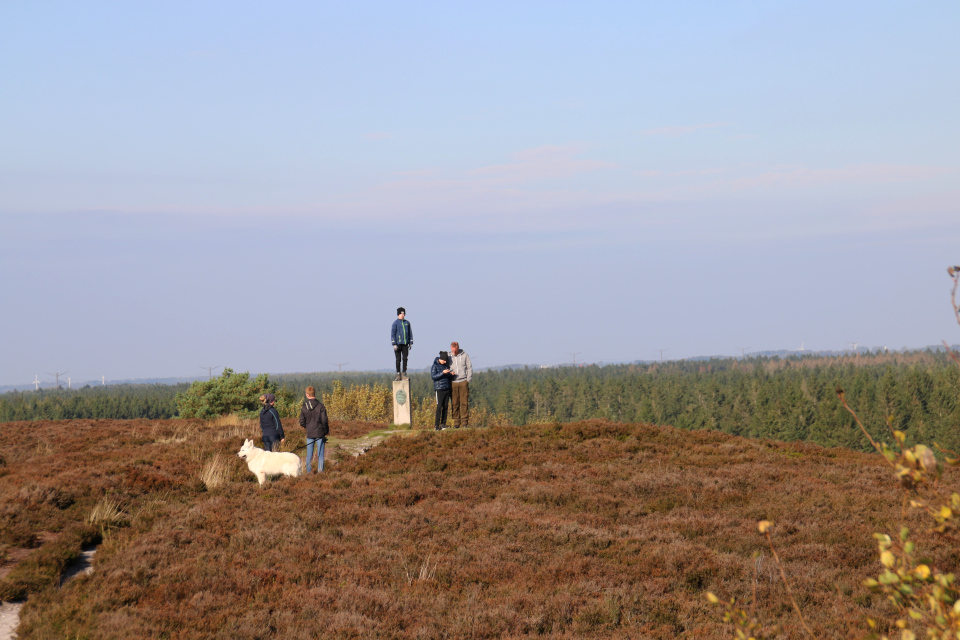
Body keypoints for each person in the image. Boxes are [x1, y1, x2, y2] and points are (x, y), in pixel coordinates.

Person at [298, 386, 329, 473]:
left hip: (310, 433)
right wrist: (325, 431)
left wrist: (307, 427)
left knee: (309, 456)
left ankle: (308, 473)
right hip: (320, 433)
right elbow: (324, 420)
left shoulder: (304, 406)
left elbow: (301, 421)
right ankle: (320, 473)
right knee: (321, 455)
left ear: (307, 395)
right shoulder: (321, 406)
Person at [449, 341, 473, 428]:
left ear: (458, 348)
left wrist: (468, 380)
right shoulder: (448, 356)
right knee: (455, 403)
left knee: (464, 403)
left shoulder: (465, 355)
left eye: (455, 350)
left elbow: (469, 367)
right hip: (453, 382)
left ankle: (465, 422)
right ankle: (456, 422)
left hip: (463, 381)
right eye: (452, 350)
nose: (454, 352)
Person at [431, 351, 456, 430]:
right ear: (440, 359)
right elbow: (434, 377)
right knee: (439, 407)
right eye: (444, 360)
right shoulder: (435, 366)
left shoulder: (446, 365)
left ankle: (443, 424)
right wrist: (442, 372)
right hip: (439, 389)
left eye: (446, 360)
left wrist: (451, 374)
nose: (445, 362)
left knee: (445, 406)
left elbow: (447, 377)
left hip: (446, 388)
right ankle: (436, 425)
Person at [391, 307, 413, 381]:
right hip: (398, 344)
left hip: (405, 344)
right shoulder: (395, 323)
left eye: (403, 313)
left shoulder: (407, 323)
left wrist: (410, 342)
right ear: (398, 314)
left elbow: (410, 333)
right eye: (401, 313)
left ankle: (404, 373)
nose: (402, 315)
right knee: (398, 359)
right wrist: (394, 344)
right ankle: (398, 374)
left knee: (405, 358)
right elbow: (393, 334)